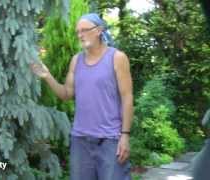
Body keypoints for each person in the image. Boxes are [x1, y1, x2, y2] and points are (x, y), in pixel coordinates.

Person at [30, 13, 134, 180]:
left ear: (99, 30)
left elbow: (127, 98)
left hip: (110, 141)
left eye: (84, 30)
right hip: (80, 141)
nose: (80, 35)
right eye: (78, 31)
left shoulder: (117, 58)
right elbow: (66, 94)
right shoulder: (76, 61)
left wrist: (125, 135)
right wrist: (47, 75)